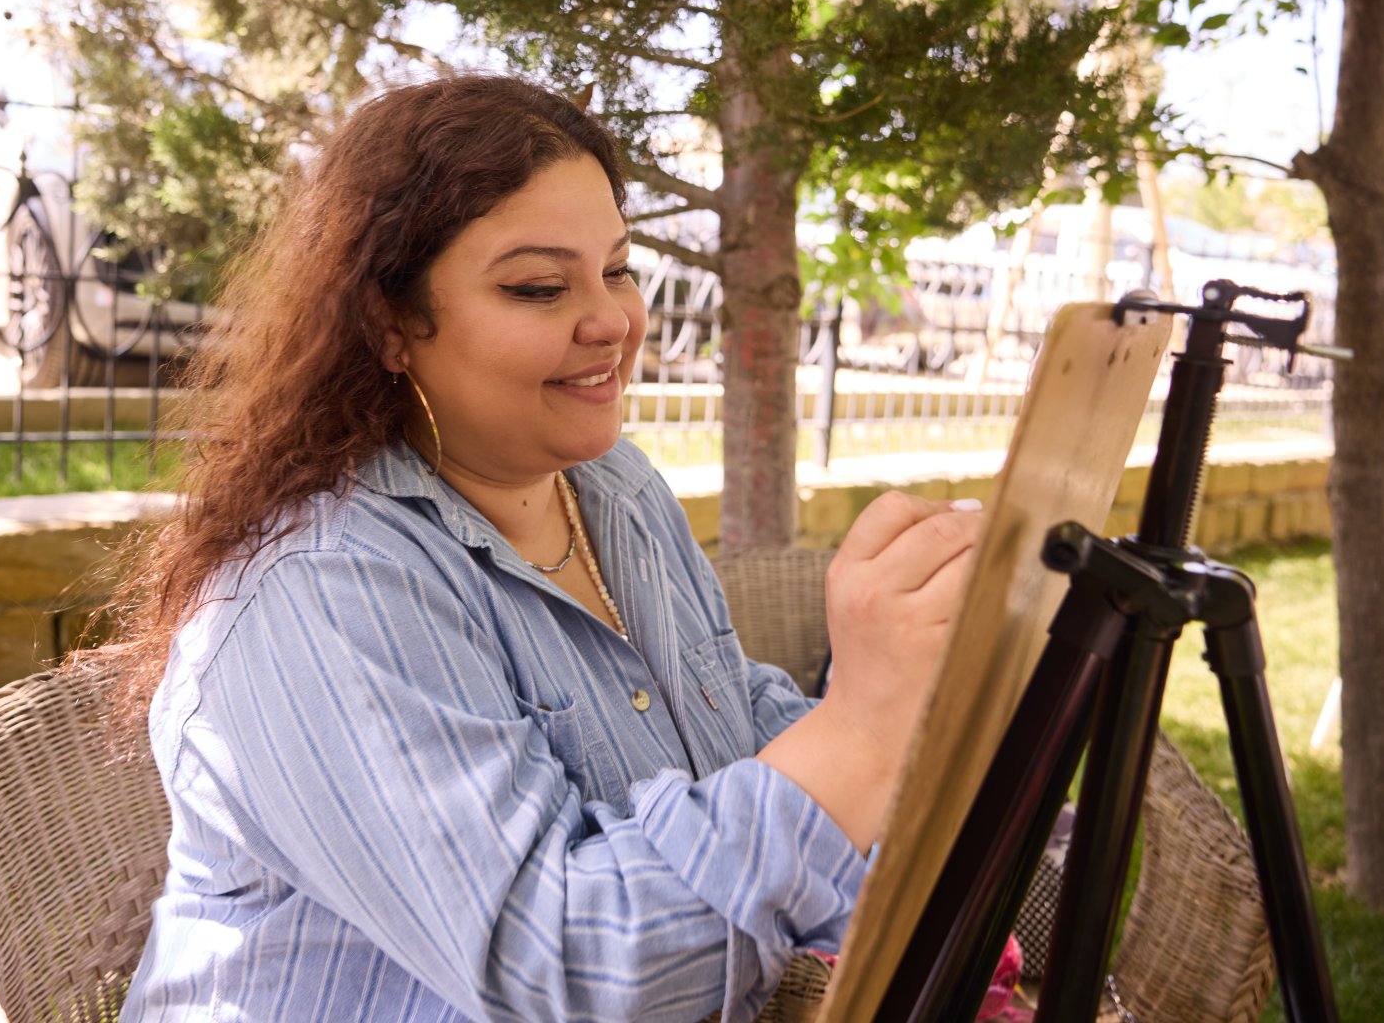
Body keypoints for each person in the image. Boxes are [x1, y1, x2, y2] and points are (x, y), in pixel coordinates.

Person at [101, 74, 981, 1022]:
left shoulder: (617, 490)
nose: (611, 319)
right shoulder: (316, 589)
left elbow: (725, 722)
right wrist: (858, 733)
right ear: (390, 323)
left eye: (618, 268)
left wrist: (920, 706)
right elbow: (558, 972)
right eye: (537, 286)